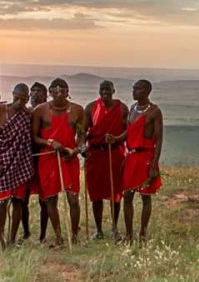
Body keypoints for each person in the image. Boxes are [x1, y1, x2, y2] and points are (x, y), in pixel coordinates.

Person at [31, 78, 85, 247]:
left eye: (62, 91)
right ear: (50, 92)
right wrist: (50, 142)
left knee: (73, 199)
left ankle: (74, 236)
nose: (59, 94)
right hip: (48, 158)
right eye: (55, 91)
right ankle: (59, 236)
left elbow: (82, 136)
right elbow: (34, 137)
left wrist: (76, 149)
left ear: (68, 91)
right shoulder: (40, 111)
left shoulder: (78, 110)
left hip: (69, 158)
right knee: (50, 199)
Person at [0, 83, 35, 245]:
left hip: (19, 163)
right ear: (12, 95)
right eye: (17, 98)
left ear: (27, 99)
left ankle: (12, 239)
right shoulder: (1, 110)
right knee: (1, 202)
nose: (19, 102)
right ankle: (0, 238)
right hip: (1, 162)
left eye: (23, 99)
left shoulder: (28, 115)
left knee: (18, 201)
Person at [119, 79, 163, 243]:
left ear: (147, 91)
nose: (134, 91)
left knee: (145, 196)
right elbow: (128, 133)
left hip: (146, 157)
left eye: (137, 89)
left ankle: (142, 235)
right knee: (127, 195)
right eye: (133, 88)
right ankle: (129, 235)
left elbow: (158, 140)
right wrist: (115, 139)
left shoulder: (154, 112)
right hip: (131, 157)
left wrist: (154, 165)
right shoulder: (132, 108)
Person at [82, 80, 127, 239]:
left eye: (108, 89)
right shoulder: (91, 108)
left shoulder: (122, 108)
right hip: (95, 155)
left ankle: (114, 228)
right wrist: (82, 148)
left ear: (114, 90)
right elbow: (83, 131)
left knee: (115, 192)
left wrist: (116, 138)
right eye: (102, 89)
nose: (105, 92)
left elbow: (128, 131)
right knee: (96, 193)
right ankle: (99, 230)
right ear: (99, 90)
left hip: (114, 153)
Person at [22, 81, 49, 241]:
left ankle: (43, 235)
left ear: (45, 95)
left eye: (39, 91)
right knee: (22, 198)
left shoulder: (48, 113)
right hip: (25, 159)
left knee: (45, 199)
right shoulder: (24, 112)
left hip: (44, 158)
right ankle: (25, 232)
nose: (35, 93)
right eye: (32, 91)